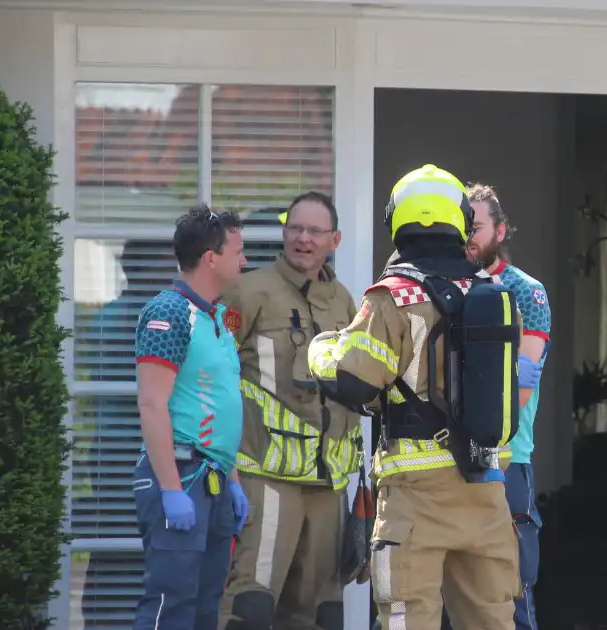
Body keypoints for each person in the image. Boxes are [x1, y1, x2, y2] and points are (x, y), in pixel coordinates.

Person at [308, 164, 535, 629]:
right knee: (494, 621)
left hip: (416, 499)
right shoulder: (493, 293)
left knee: (406, 619)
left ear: (397, 221)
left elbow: (354, 382)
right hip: (487, 493)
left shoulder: (391, 297)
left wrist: (320, 350)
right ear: (459, 222)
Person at [217, 192, 363, 630]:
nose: (302, 239)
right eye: (294, 228)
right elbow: (212, 374)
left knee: (321, 613)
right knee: (251, 606)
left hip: (328, 486)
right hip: (267, 479)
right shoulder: (247, 291)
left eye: (314, 231)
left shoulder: (346, 303)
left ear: (333, 239)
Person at [132, 205, 252, 630]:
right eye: (238, 251)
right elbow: (152, 403)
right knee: (171, 605)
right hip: (181, 476)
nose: (245, 261)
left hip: (213, 479)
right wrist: (169, 490)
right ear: (210, 258)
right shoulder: (169, 314)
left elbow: (217, 409)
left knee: (204, 610)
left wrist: (233, 482)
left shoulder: (216, 318)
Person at [462, 182, 551, 629]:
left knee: (512, 591)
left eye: (476, 226)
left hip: (507, 459)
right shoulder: (440, 284)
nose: (468, 236)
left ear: (500, 229)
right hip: (444, 461)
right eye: (461, 225)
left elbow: (520, 388)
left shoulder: (526, 291)